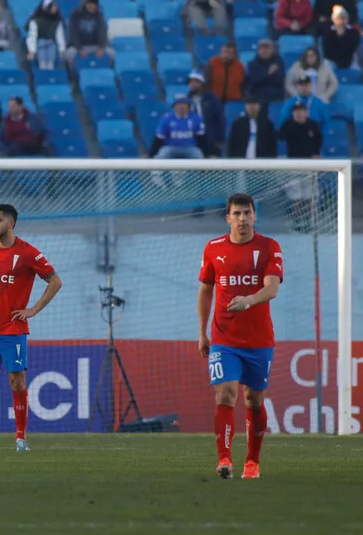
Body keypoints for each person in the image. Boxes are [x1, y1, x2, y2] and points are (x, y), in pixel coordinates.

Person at [0, 204, 62, 452]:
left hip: (13, 330)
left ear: (11, 224)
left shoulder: (27, 253)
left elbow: (55, 281)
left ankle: (20, 438)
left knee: (16, 382)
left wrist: (33, 310)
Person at [197, 193, 284, 480]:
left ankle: (252, 462)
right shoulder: (212, 248)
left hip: (258, 340)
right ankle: (224, 460)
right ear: (228, 218)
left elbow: (272, 288)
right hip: (223, 338)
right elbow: (206, 289)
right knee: (225, 394)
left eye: (247, 213)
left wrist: (248, 300)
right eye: (237, 214)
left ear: (254, 215)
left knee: (253, 401)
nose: (242, 219)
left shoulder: (270, 247)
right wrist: (202, 331)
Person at [278, 102, 323, 230]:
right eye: (296, 111)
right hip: (293, 164)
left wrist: (316, 154)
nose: (299, 113)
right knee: (295, 194)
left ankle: (310, 221)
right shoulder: (288, 124)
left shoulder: (313, 125)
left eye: (301, 110)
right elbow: (280, 137)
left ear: (306, 112)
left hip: (310, 164)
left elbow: (318, 142)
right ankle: (297, 221)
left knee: (310, 194)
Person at [149, 94, 208, 159]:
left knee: (198, 155)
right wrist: (151, 154)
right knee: (162, 154)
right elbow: (159, 138)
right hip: (171, 148)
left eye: (184, 104)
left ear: (188, 106)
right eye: (179, 104)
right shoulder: (167, 118)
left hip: (190, 148)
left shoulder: (195, 118)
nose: (181, 106)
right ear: (174, 106)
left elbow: (202, 138)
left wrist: (208, 154)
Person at [64, 0, 113, 68]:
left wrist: (101, 47)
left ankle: (109, 74)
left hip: (95, 45)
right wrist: (79, 48)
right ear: (84, 4)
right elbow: (73, 33)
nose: (91, 6)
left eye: (94, 4)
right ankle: (73, 78)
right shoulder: (75, 14)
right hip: (79, 46)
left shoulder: (99, 15)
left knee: (111, 53)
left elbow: (102, 31)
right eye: (89, 4)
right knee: (69, 55)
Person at [187, 71, 226, 155]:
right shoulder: (186, 100)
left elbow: (219, 119)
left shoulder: (212, 99)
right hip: (192, 137)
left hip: (209, 136)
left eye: (196, 82)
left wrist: (219, 139)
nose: (193, 84)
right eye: (191, 82)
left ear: (202, 84)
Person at [26, 0, 66, 70]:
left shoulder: (57, 21)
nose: (54, 9)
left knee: (51, 65)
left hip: (52, 45)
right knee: (42, 65)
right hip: (40, 45)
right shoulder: (35, 21)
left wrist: (62, 50)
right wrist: (32, 50)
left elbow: (60, 36)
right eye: (52, 7)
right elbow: (32, 36)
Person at [244, 39, 286, 106]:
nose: (264, 51)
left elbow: (280, 79)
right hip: (258, 96)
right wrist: (268, 74)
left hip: (276, 95)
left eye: (267, 48)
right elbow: (253, 80)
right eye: (262, 48)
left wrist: (263, 77)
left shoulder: (278, 62)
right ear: (258, 50)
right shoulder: (252, 64)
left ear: (272, 50)